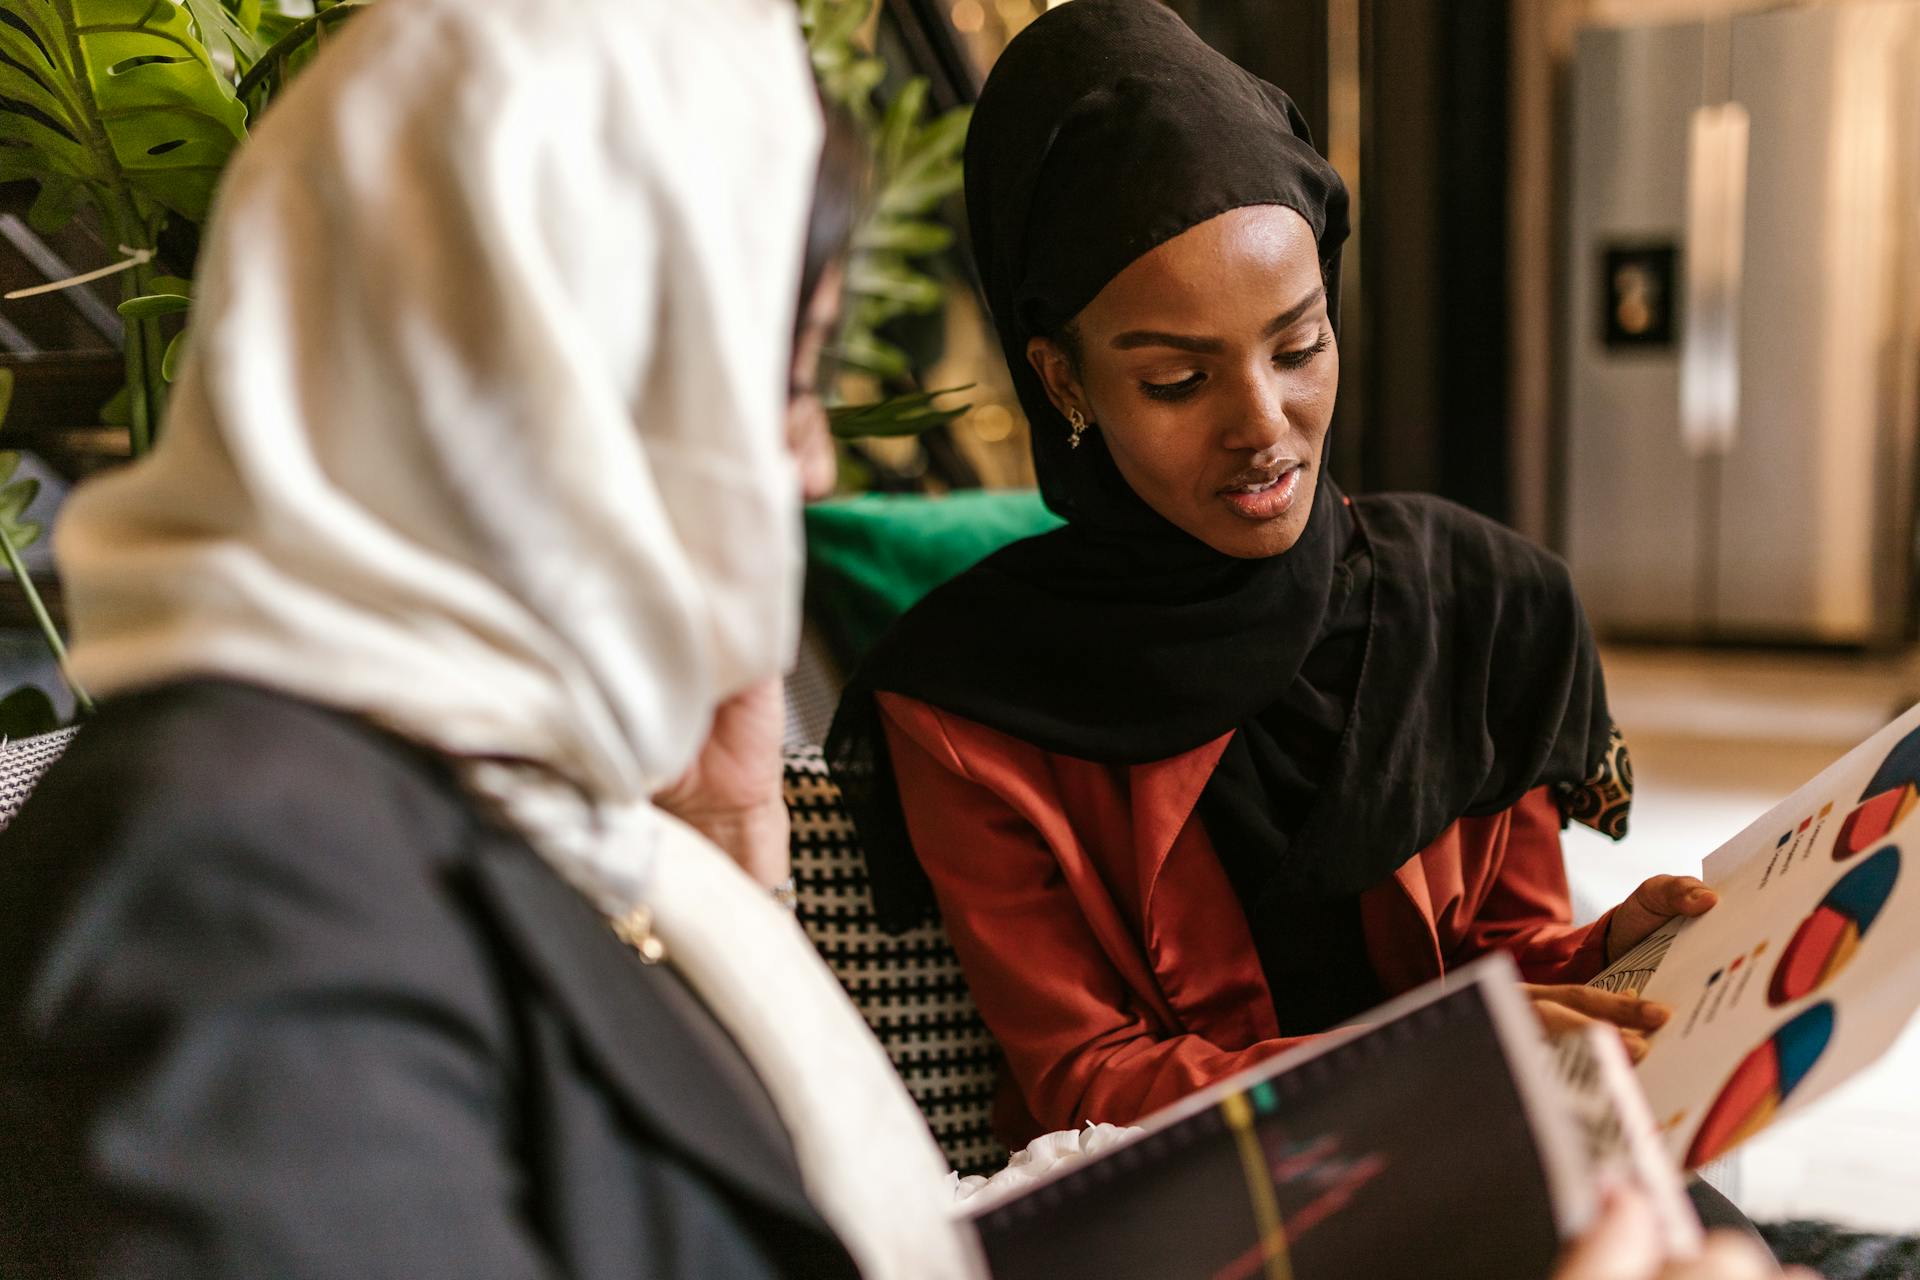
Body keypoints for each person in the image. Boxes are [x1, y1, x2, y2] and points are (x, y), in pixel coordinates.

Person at [0, 1, 978, 1277]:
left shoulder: (508, 807)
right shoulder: (230, 885)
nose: (811, 465)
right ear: (563, 380)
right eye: (788, 385)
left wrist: (726, 871)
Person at [828, 0, 1718, 1152]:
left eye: (1299, 346)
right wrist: (1428, 1066)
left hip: (1476, 1145)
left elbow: (1498, 960)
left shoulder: (1479, 602)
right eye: (1177, 382)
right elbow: (1092, 1075)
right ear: (1063, 381)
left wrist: (1601, 956)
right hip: (1207, 1204)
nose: (1266, 427)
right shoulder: (966, 703)